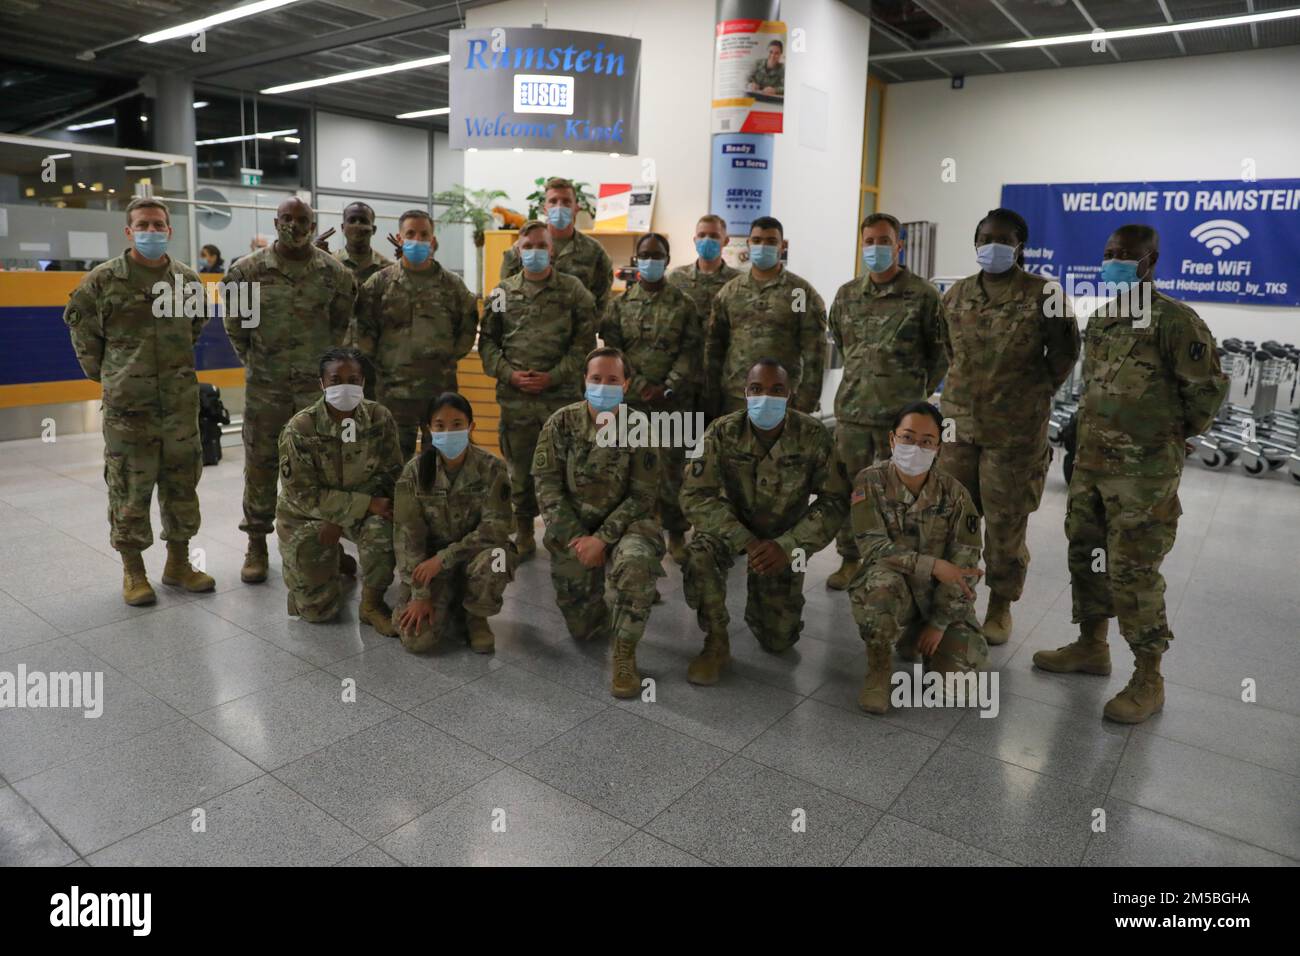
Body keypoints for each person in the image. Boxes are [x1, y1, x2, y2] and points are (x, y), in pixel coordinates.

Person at [1034, 225, 1228, 723]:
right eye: (1108, 253)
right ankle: (1090, 645)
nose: (1114, 260)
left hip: (1143, 476)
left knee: (1134, 572)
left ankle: (1148, 677)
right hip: (1093, 466)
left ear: (1150, 260)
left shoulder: (1175, 321)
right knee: (1088, 556)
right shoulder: (1101, 320)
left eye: (1124, 254)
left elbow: (1205, 392)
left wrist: (1165, 435)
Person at [936, 207, 1080, 644]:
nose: (991, 245)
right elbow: (947, 350)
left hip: (1015, 434)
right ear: (975, 242)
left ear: (1021, 246)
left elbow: (1065, 353)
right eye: (984, 238)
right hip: (959, 428)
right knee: (955, 517)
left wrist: (1028, 394)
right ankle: (955, 598)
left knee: (1005, 523)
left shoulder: (1044, 293)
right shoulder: (957, 294)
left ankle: (1000, 606)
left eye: (1002, 238)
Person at [63, 197, 215, 605]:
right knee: (129, 490)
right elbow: (84, 336)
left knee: (182, 486)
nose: (152, 231)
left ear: (169, 230)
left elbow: (194, 330)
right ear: (129, 232)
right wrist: (115, 377)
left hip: (180, 408)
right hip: (129, 410)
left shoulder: (187, 281)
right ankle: (134, 572)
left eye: (158, 224)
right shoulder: (102, 281)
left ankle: (178, 564)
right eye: (143, 225)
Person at [680, 358, 848, 684]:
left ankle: (766, 612)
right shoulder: (722, 431)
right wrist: (745, 540)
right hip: (730, 530)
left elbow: (835, 500)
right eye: (756, 389)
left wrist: (788, 545)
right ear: (745, 392)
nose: (765, 397)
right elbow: (694, 496)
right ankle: (715, 642)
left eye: (776, 390)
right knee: (699, 554)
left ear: (790, 395)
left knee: (777, 641)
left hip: (783, 537)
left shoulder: (812, 435)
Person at [223, 197, 357, 585]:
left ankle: (323, 543)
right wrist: (262, 364)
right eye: (287, 218)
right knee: (261, 464)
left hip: (315, 396)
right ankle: (256, 544)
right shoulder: (246, 273)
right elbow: (236, 329)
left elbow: (339, 326)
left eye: (303, 220)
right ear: (275, 220)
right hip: (267, 388)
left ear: (313, 226)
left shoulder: (334, 274)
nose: (294, 225)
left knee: (320, 467)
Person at [532, 348, 664, 698]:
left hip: (627, 526)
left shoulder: (639, 426)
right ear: (584, 381)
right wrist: (578, 537)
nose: (603, 386)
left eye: (612, 380)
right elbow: (547, 487)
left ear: (626, 385)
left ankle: (625, 651)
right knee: (584, 630)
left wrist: (602, 540)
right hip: (572, 529)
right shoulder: (560, 423)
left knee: (636, 563)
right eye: (596, 379)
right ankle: (609, 604)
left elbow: (642, 497)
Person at [826, 213, 946, 590]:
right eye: (868, 242)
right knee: (853, 492)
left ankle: (896, 562)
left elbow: (939, 353)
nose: (875, 249)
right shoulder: (847, 295)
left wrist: (914, 393)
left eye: (883, 241)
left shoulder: (924, 295)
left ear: (899, 245)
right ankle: (850, 559)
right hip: (854, 414)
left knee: (901, 495)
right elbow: (843, 344)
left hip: (903, 421)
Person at [849, 401, 988, 714]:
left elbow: (964, 569)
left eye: (926, 441)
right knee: (881, 586)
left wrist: (939, 624)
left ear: (938, 448)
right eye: (907, 437)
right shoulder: (869, 482)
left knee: (958, 688)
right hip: (892, 589)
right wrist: (934, 565)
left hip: (940, 601)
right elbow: (873, 547)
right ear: (891, 440)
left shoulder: (956, 495)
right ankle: (879, 670)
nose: (915, 447)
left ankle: (921, 641)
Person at [479, 219, 597, 561]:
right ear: (518, 250)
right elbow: (488, 342)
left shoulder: (573, 291)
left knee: (568, 467)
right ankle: (525, 531)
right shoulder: (502, 293)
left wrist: (554, 376)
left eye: (541, 246)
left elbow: (584, 343)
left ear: (552, 250)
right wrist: (510, 375)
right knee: (519, 468)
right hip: (516, 399)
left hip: (561, 399)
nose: (534, 252)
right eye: (527, 246)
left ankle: (569, 533)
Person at [275, 348, 401, 634]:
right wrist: (342, 515)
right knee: (318, 613)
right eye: (336, 380)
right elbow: (302, 494)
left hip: (366, 508)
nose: (345, 386)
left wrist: (358, 510)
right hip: (306, 515)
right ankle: (322, 570)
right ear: (322, 384)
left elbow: (392, 473)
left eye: (353, 379)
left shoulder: (380, 417)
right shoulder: (301, 428)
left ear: (363, 383)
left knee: (385, 529)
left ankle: (371, 605)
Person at [599, 232, 702, 562]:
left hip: (673, 402)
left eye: (657, 255)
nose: (651, 260)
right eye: (645, 255)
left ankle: (676, 536)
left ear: (667, 260)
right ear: (636, 260)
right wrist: (640, 383)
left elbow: (691, 351)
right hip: (631, 403)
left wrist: (667, 385)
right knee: (632, 471)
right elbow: (614, 352)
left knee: (674, 471)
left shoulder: (685, 305)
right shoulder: (618, 306)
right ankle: (634, 536)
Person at [391, 393, 516, 654]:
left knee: (498, 557)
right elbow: (407, 536)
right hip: (430, 567)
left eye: (457, 424)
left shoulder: (492, 468)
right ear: (429, 429)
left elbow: (496, 528)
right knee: (417, 640)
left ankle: (476, 616)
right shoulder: (414, 472)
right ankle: (450, 597)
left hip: (473, 557)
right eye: (440, 425)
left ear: (471, 426)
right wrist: (420, 595)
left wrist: (444, 558)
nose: (449, 431)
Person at [352, 209, 479, 459]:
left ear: (432, 241)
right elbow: (363, 329)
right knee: (393, 461)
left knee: (440, 460)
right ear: (400, 239)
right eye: (410, 234)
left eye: (424, 234)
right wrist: (383, 365)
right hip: (393, 391)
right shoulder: (379, 284)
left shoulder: (453, 286)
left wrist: (446, 358)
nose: (417, 240)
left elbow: (467, 327)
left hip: (439, 388)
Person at [705, 216, 827, 418]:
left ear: (782, 245)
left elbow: (814, 352)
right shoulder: (730, 292)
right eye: (757, 240)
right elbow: (714, 349)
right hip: (737, 398)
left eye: (771, 241)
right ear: (748, 243)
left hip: (782, 400)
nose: (763, 246)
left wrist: (805, 403)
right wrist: (712, 398)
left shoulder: (799, 293)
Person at [501, 177, 613, 314]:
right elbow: (502, 295)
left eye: (566, 201)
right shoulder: (520, 249)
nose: (559, 207)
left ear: (576, 208)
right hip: (527, 330)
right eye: (553, 201)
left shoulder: (595, 252)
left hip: (576, 332)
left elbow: (601, 303)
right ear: (545, 208)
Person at [667, 214, 740, 327]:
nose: (707, 240)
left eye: (714, 236)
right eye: (701, 235)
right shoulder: (675, 277)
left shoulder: (738, 281)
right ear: (695, 240)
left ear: (726, 241)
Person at [326, 201, 393, 283]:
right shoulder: (329, 263)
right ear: (343, 227)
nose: (357, 225)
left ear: (374, 229)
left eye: (363, 221)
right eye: (352, 220)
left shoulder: (388, 268)